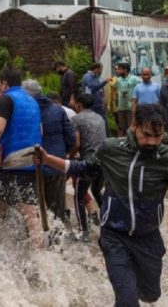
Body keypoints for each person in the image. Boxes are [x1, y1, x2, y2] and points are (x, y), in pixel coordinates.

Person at [35, 104, 168, 307]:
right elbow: (84, 168)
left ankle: (129, 286)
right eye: (146, 135)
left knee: (150, 294)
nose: (152, 142)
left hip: (148, 238)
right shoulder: (111, 149)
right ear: (134, 125)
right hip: (114, 235)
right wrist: (48, 159)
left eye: (157, 136)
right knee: (128, 301)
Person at [0, 67, 43, 248]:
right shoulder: (32, 101)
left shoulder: (6, 99)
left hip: (10, 161)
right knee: (31, 214)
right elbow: (41, 130)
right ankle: (40, 255)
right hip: (33, 160)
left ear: (3, 83)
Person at [23, 79, 75, 223]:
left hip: (32, 167)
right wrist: (63, 154)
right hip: (55, 165)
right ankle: (57, 242)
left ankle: (37, 243)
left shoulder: (25, 112)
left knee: (33, 211)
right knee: (56, 210)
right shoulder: (58, 109)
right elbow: (71, 138)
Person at [70, 94, 106, 238]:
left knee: (78, 197)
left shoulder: (76, 119)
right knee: (97, 191)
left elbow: (77, 144)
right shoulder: (100, 118)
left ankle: (83, 231)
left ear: (79, 104)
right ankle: (107, 222)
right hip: (103, 161)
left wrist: (70, 158)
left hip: (88, 162)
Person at [82, 62, 112, 132]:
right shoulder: (87, 77)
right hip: (91, 104)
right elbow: (94, 87)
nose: (101, 71)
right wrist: (105, 82)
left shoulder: (97, 77)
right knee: (92, 122)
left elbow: (100, 90)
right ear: (96, 69)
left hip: (98, 103)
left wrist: (103, 99)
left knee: (103, 121)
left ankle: (107, 137)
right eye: (101, 69)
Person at [113, 62, 140, 136]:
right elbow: (115, 90)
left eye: (120, 69)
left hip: (131, 107)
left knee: (131, 126)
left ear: (125, 70)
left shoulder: (134, 79)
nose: (118, 71)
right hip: (121, 107)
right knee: (121, 126)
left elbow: (139, 90)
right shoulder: (118, 80)